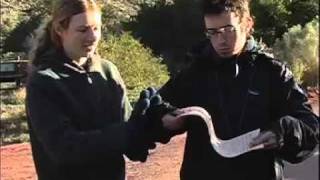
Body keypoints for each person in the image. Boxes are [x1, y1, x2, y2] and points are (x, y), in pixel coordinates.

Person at [148, 0, 319, 179]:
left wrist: (284, 131)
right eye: (213, 32)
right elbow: (155, 110)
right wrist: (164, 118)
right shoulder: (194, 74)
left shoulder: (273, 73)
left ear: (247, 24)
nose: (221, 40)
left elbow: (311, 129)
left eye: (229, 30)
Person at [25, 0, 160, 179]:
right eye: (83, 30)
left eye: (96, 28)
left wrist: (157, 122)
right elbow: (65, 149)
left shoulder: (107, 71)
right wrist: (127, 132)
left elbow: (132, 143)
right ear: (59, 30)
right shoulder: (43, 82)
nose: (92, 37)